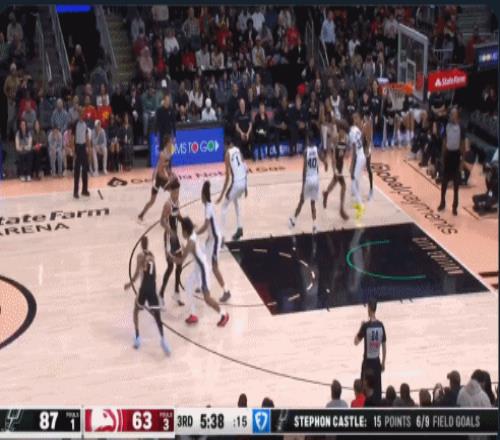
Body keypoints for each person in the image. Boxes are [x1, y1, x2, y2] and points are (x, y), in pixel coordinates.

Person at [167, 216, 229, 326]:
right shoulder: (192, 235)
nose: (182, 233)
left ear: (186, 231)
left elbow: (180, 260)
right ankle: (193, 315)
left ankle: (224, 314)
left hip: (202, 270)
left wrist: (171, 257)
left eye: (182, 230)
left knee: (207, 299)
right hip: (198, 269)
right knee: (188, 286)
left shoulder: (191, 242)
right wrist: (184, 248)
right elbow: (191, 248)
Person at [124, 236, 171, 355]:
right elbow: (154, 274)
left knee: (136, 310)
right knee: (157, 316)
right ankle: (163, 340)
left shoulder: (140, 257)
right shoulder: (152, 255)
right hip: (152, 288)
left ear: (141, 245)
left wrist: (129, 284)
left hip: (144, 288)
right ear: (148, 244)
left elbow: (136, 274)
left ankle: (137, 337)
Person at [197, 180, 231, 303]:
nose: (200, 197)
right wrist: (208, 237)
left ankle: (226, 291)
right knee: (203, 260)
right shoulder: (208, 206)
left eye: (201, 195)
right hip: (211, 238)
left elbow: (206, 226)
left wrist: (195, 233)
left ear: (203, 195)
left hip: (216, 239)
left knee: (215, 267)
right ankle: (203, 285)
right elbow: (211, 226)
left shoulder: (208, 208)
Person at [159, 168, 184, 307]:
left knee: (179, 264)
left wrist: (185, 222)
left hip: (175, 238)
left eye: (178, 191)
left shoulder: (177, 202)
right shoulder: (167, 204)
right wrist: (170, 230)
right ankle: (161, 294)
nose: (177, 194)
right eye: (176, 192)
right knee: (170, 267)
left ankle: (176, 292)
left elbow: (177, 214)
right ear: (171, 192)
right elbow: (162, 221)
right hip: (169, 237)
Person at [354, 299, 386, 404]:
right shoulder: (381, 325)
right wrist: (383, 363)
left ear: (369, 308)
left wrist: (360, 327)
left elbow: (356, 342)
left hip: (367, 363)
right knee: (377, 390)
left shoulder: (366, 326)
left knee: (365, 391)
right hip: (377, 362)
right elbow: (384, 346)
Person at [289, 131, 321, 234]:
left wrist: (303, 186)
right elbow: (318, 165)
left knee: (301, 201)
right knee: (313, 204)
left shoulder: (306, 151)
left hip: (308, 179)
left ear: (307, 140)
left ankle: (293, 221)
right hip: (316, 179)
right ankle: (315, 226)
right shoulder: (317, 149)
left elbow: (304, 169)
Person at [217, 138, 248, 242]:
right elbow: (245, 167)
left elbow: (227, 177)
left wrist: (222, 194)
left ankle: (221, 236)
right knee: (236, 202)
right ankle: (239, 228)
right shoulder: (238, 150)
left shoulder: (227, 154)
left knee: (224, 206)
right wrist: (246, 187)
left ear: (226, 145)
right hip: (243, 182)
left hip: (237, 184)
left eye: (224, 146)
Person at [438, 107, 467, 216]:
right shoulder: (446, 125)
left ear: (457, 116)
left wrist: (462, 162)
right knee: (444, 182)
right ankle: (442, 202)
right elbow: (444, 142)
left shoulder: (461, 128)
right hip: (448, 155)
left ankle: (455, 206)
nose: (451, 115)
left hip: (456, 156)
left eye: (453, 114)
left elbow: (463, 145)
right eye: (450, 114)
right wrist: (442, 157)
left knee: (456, 184)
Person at [138, 135, 174, 221]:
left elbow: (166, 166)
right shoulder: (162, 154)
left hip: (161, 176)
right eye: (171, 141)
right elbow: (159, 170)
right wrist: (167, 178)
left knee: (173, 194)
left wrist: (169, 173)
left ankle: (167, 216)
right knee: (152, 201)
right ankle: (142, 214)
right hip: (159, 179)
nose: (172, 142)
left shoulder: (171, 150)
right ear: (167, 143)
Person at [322, 119, 349, 220]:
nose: (344, 133)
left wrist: (346, 154)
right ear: (340, 130)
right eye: (343, 131)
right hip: (336, 165)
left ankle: (326, 193)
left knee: (334, 182)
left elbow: (345, 152)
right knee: (344, 186)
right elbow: (333, 155)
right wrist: (334, 169)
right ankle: (341, 209)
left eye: (345, 131)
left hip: (341, 164)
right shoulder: (335, 138)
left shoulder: (345, 138)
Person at [349, 112, 367, 219]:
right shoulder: (357, 130)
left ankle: (360, 204)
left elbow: (354, 150)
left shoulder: (352, 132)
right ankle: (356, 199)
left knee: (354, 180)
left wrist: (352, 164)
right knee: (356, 179)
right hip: (362, 155)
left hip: (360, 157)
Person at [73, 109, 91, 199]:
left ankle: (84, 190)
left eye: (82, 114)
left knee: (85, 170)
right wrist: (74, 150)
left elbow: (86, 136)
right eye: (80, 114)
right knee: (77, 171)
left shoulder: (85, 124)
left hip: (83, 147)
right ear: (78, 114)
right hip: (77, 147)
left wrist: (88, 147)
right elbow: (72, 137)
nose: (81, 116)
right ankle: (75, 192)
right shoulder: (75, 124)